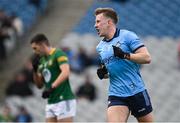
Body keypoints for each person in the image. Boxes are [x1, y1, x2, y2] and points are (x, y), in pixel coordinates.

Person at [94, 8, 154, 122]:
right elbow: (110, 69)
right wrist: (104, 74)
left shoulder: (127, 36)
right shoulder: (100, 47)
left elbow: (147, 58)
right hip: (116, 94)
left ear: (109, 22)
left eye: (98, 21)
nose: (95, 25)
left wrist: (125, 55)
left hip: (136, 91)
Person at [30, 34, 76, 122]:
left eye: (35, 48)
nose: (35, 52)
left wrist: (52, 87)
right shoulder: (42, 61)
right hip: (51, 101)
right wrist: (35, 70)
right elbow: (39, 85)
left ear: (42, 44)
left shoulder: (58, 53)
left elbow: (65, 72)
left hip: (63, 98)